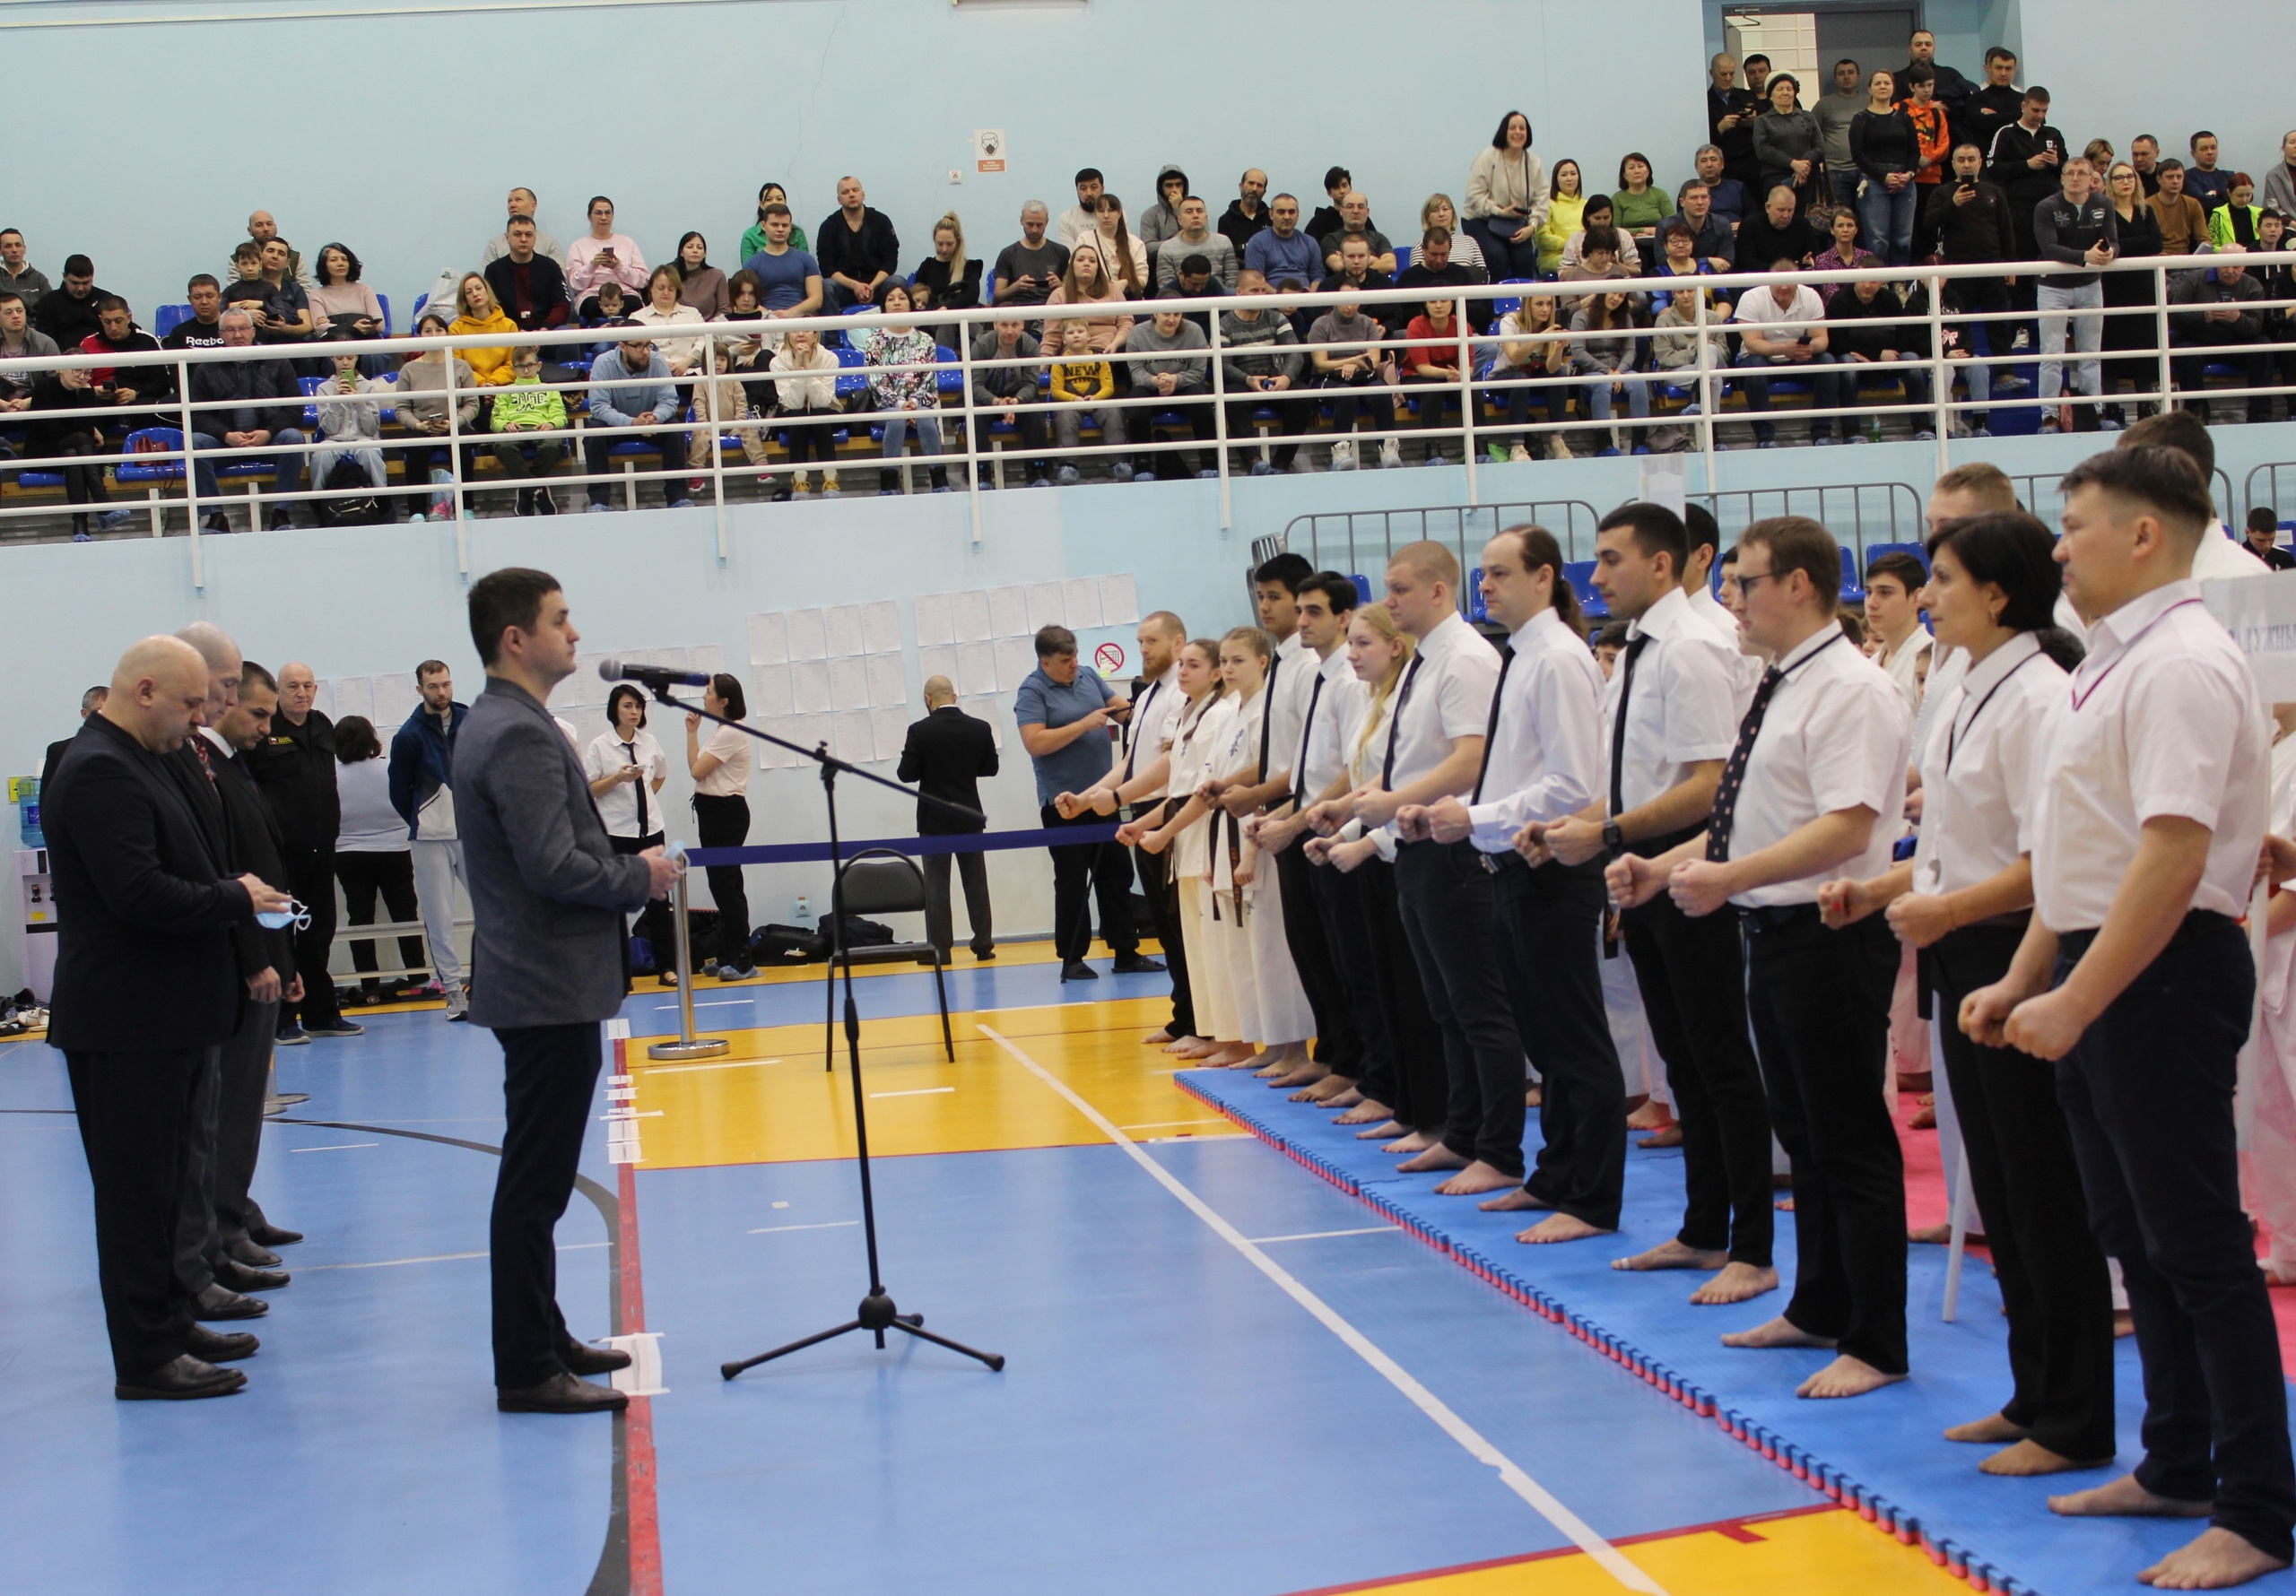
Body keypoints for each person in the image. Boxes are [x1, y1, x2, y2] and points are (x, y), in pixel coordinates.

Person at [1967, 448, 2296, 1589]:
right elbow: (2082, 850)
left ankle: (2257, 1507)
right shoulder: (2111, 660)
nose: (2057, 545)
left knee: (2198, 1246)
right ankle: (2178, 1461)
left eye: (2073, 524)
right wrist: (2029, 973)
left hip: (2159, 973)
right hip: (2104, 958)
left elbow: (2170, 856)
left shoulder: (2181, 662)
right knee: (2137, 1237)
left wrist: (2077, 994)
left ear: (2143, 534)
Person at [1819, 508, 2113, 1474]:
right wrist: (1880, 889)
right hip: (1959, 946)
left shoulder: (2039, 696)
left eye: (1942, 579)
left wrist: (1945, 910)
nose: (1927, 596)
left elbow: (2048, 860)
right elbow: (1949, 844)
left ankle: (2074, 1417)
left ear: (1997, 593)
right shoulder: (1965, 687)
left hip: (2016, 950)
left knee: (2042, 1191)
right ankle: (2032, 1392)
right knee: (2001, 1187)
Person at [1608, 515, 1913, 1401]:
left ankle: (1876, 1339)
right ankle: (1819, 1304)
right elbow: (1744, 815)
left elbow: (1848, 826)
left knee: (1850, 1144)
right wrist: (1664, 866)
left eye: (1745, 582)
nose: (1732, 599)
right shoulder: (1782, 681)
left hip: (1831, 932)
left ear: (1799, 586)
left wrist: (1728, 877)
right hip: (1774, 931)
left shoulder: (1851, 689)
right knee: (1806, 1139)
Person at [1534, 503, 1776, 1305]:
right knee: (1683, 1062)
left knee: (1721, 1061)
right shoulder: (1640, 648)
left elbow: (1710, 784)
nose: (1596, 575)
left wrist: (1608, 832)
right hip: (1640, 867)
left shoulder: (1693, 647)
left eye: (1612, 559)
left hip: (1689, 866)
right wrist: (1574, 828)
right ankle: (1704, 1228)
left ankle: (1752, 1246)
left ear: (1664, 564)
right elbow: (1634, 776)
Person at [46, 636, 291, 1401]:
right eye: (189, 704)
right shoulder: (99, 770)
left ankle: (172, 1317)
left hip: (165, 1018)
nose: (198, 719)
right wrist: (235, 896)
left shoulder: (143, 760)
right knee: (136, 1198)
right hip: (127, 1023)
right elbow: (139, 893)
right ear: (144, 690)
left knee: (167, 1189)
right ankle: (146, 1354)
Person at [455, 568, 672, 1414]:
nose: (574, 632)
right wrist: (639, 875)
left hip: (544, 982)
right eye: (560, 619)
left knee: (538, 1180)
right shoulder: (515, 733)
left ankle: (544, 1335)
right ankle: (526, 1367)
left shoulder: (511, 721)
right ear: (517, 638)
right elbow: (551, 866)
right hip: (544, 983)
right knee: (535, 1185)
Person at [1387, 527, 1620, 1238]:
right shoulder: (1522, 654)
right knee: (1545, 1043)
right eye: (1483, 574)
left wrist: (1475, 815)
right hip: (1509, 861)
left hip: (1553, 865)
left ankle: (1592, 1197)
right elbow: (1516, 770)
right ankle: (1554, 1174)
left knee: (1573, 1042)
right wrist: (1462, 814)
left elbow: (1573, 784)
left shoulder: (1558, 659)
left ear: (1544, 577)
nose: (1485, 586)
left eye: (1500, 573)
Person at [1308, 541, 1515, 1191]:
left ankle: (1498, 1150)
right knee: (1446, 1007)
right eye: (1389, 589)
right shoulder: (1426, 661)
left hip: (1455, 846)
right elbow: (1408, 760)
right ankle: (1460, 1132)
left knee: (1478, 1009)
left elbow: (1471, 759)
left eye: (1399, 589)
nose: (1389, 600)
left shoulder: (1466, 659)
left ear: (1438, 591)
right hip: (1416, 843)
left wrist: (1389, 805)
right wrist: (1353, 805)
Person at [173, 656, 302, 1315]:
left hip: (266, 946)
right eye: (253, 710)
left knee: (245, 1100)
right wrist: (257, 957)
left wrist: (286, 954)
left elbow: (264, 864)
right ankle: (222, 1225)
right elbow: (228, 873)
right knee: (227, 1104)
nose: (261, 725)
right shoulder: (205, 770)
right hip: (241, 957)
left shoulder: (236, 768)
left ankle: (235, 1208)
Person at [1199, 564, 1359, 1089]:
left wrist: (1270, 803)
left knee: (1328, 951)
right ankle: (1328, 1053)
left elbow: (1315, 763)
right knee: (1306, 947)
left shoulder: (1317, 669)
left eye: (1276, 597)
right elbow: (1292, 755)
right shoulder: (1291, 666)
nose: (1265, 607)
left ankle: (1341, 1058)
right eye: (1260, 597)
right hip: (1289, 812)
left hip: (1315, 815)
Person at [1016, 625, 1152, 981]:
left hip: (1103, 799)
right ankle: (1073, 957)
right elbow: (1035, 743)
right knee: (1072, 881)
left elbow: (1122, 711)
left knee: (1116, 874)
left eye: (1075, 656)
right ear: (1045, 662)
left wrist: (1144, 705)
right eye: (1065, 660)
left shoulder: (1089, 676)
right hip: (1063, 804)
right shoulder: (1032, 691)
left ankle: (1126, 951)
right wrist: (1081, 725)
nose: (1074, 664)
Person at [246, 662, 352, 1041]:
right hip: (281, 851)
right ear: (279, 691)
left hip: (322, 847)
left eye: (307, 685)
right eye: (293, 686)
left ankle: (321, 1013)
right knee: (281, 933)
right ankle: (283, 1018)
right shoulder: (266, 729)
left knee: (319, 932)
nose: (301, 692)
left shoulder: (322, 725)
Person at [388, 660, 471, 1020]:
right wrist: (423, 820)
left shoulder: (470, 722)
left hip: (472, 835)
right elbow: (398, 792)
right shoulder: (408, 736)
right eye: (433, 686)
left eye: (446, 684)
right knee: (439, 921)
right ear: (420, 689)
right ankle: (453, 992)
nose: (442, 692)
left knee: (497, 910)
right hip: (429, 840)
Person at [896, 677, 997, 963]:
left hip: (934, 820)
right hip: (969, 815)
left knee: (937, 887)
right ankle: (983, 945)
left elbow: (906, 774)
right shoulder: (980, 728)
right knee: (976, 883)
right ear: (954, 696)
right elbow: (990, 768)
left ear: (928, 699)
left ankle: (940, 950)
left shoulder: (919, 731)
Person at [1927, 143, 2022, 436]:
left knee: (1998, 322)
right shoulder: (1943, 192)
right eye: (1961, 160)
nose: (1966, 164)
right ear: (1953, 164)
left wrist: (2011, 265)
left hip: (1992, 265)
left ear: (1981, 162)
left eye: (1971, 159)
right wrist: (1953, 203)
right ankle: (1959, 364)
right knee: (1959, 323)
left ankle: (2004, 372)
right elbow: (1928, 224)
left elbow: (2006, 229)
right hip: (1958, 269)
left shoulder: (1994, 192)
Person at [581, 684, 674, 978]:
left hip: (651, 830)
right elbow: (588, 789)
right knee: (616, 903)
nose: (634, 712)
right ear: (615, 710)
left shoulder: (649, 742)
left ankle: (667, 967)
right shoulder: (600, 746)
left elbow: (660, 775)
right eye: (627, 706)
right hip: (616, 833)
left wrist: (645, 800)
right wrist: (617, 779)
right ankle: (620, 972)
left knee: (660, 902)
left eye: (638, 706)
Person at [333, 715, 426, 1003]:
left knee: (360, 920)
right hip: (394, 850)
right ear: (372, 740)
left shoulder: (331, 776)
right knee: (405, 916)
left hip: (348, 853)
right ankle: (419, 979)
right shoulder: (389, 769)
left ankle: (369, 986)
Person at [186, 310, 307, 532]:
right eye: (230, 330)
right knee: (195, 442)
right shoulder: (205, 368)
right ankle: (215, 516)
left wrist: (269, 432)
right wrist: (225, 435)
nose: (237, 335)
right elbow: (197, 415)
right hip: (225, 444)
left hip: (269, 440)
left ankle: (281, 514)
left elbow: (295, 408)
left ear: (253, 331)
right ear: (220, 335)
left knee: (293, 437)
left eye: (243, 328)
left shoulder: (278, 361)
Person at [2034, 156, 2118, 430]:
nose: (2075, 177)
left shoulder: (2104, 204)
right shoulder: (2046, 206)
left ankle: (2095, 411)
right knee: (2051, 353)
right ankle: (2049, 415)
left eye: (2082, 173)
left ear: (2092, 179)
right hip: (2053, 286)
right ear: (2062, 178)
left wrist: (2110, 253)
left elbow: (2113, 240)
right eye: (2070, 172)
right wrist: (2085, 256)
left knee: (2091, 353)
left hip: (2090, 284)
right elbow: (2049, 248)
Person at [683, 674, 754, 980]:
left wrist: (692, 735)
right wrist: (692, 733)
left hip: (726, 813)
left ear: (724, 701)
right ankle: (728, 952)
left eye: (709, 692)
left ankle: (742, 958)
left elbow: (697, 771)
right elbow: (696, 768)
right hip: (712, 811)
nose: (704, 696)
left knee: (727, 885)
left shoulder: (731, 732)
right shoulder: (720, 730)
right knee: (721, 884)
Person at [1732, 265, 1849, 447]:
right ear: (1769, 281)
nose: (1784, 287)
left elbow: (1822, 340)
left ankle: (1822, 434)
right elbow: (1752, 344)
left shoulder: (1811, 296)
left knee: (1827, 362)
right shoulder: (1751, 298)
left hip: (1798, 359)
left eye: (1789, 282)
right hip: (1762, 358)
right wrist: (1783, 349)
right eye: (1779, 282)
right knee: (1754, 369)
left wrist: (1809, 348)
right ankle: (1765, 438)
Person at [849, 281, 949, 495]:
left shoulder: (925, 340)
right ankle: (889, 484)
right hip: (885, 406)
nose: (897, 303)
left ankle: (940, 481)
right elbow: (876, 382)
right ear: (884, 306)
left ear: (910, 305)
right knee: (896, 419)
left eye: (902, 298)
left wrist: (914, 402)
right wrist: (901, 404)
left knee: (925, 417)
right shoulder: (874, 341)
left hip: (918, 404)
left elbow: (929, 380)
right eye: (891, 299)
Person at [581, 334, 687, 511]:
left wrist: (655, 417)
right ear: (622, 346)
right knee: (593, 433)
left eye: (648, 345)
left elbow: (669, 401)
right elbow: (599, 407)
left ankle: (678, 498)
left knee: (675, 429)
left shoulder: (658, 361)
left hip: (649, 424)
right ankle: (599, 501)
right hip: (615, 425)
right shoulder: (603, 363)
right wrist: (632, 423)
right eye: (638, 346)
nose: (645, 352)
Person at [1216, 273, 1309, 475]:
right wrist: (1247, 379)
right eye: (1254, 290)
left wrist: (1287, 377)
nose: (1260, 295)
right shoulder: (1224, 324)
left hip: (1275, 379)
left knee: (1302, 396)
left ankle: (1282, 462)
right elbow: (1223, 364)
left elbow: (1295, 352)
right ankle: (1253, 461)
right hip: (1244, 381)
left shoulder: (1276, 317)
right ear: (1239, 292)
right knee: (1233, 397)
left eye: (1263, 290)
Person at [392, 312, 480, 524]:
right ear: (419, 336)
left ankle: (465, 508)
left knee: (462, 445)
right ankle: (417, 512)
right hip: (421, 426)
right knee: (416, 448)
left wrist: (454, 422)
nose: (434, 335)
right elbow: (401, 408)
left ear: (447, 333)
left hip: (454, 424)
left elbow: (472, 404)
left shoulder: (461, 366)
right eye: (428, 331)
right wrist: (418, 425)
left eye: (439, 330)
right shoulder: (409, 369)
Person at [1307, 280, 1400, 472]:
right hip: (1329, 378)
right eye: (1345, 300)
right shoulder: (1322, 324)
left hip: (1362, 376)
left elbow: (1373, 361)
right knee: (1346, 395)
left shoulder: (1367, 323)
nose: (1349, 306)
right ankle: (1340, 451)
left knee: (1381, 392)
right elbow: (1321, 364)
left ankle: (1388, 448)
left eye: (1354, 300)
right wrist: (1350, 362)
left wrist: (1356, 365)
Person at [2170, 247, 2271, 424]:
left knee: (2263, 346)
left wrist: (2237, 318)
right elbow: (2175, 318)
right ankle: (2197, 411)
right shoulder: (2195, 280)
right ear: (2216, 262)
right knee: (2184, 352)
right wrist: (2205, 316)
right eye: (2225, 266)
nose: (2230, 271)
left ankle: (2260, 412)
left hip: (2236, 341)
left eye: (2236, 267)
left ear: (2244, 266)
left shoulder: (2252, 286)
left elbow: (2256, 327)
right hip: (2199, 340)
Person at [1123, 308, 1214, 480]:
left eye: (1176, 314)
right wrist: (1155, 381)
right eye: (1166, 314)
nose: (1171, 319)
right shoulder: (1137, 333)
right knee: (1136, 402)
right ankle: (1142, 467)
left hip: (1184, 386)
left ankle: (1210, 464)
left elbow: (1198, 372)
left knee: (1201, 398)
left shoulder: (1194, 330)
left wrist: (1175, 379)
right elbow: (1136, 373)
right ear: (1154, 314)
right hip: (1151, 387)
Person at [1986, 87, 2066, 271]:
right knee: (2023, 261)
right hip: (2020, 208)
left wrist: (2056, 163)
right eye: (2035, 110)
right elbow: (1993, 168)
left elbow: (2066, 170)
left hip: (2052, 206)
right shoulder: (2006, 133)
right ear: (2023, 106)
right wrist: (2026, 165)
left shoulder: (2053, 134)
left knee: (2054, 259)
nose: (2040, 115)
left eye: (2044, 111)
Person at [1464, 110, 1549, 280]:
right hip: (1481, 219)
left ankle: (1525, 298)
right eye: (1513, 128)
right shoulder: (1488, 157)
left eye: (1522, 128)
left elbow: (1542, 199)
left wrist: (1532, 227)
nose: (1518, 132)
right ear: (1504, 131)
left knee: (1524, 258)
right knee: (1497, 255)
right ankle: (1494, 297)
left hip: (1516, 223)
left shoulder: (1534, 163)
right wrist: (1499, 211)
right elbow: (1473, 195)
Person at [966, 317, 1048, 490]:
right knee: (976, 416)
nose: (1010, 331)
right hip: (988, 398)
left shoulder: (1030, 344)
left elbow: (1031, 384)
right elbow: (975, 385)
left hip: (1017, 397)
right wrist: (997, 402)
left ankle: (1036, 471)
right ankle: (981, 472)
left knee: (1035, 413)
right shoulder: (981, 345)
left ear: (1022, 325)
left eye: (1015, 325)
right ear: (995, 325)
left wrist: (1016, 401)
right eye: (1004, 325)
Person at [1569, 287, 1651, 456]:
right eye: (1613, 293)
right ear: (1602, 292)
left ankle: (1639, 443)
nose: (1616, 298)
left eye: (1621, 296)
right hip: (1591, 371)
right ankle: (1604, 444)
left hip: (1619, 370)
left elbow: (1630, 350)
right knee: (1602, 383)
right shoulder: (1581, 316)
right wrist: (1607, 371)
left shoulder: (1625, 318)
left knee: (1638, 381)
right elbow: (1578, 352)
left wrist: (1619, 372)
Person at [489, 347, 569, 515]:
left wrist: (551, 424)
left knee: (552, 446)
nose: (525, 371)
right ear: (513, 369)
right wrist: (505, 424)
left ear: (539, 366)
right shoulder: (505, 391)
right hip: (514, 430)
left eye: (530, 365)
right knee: (503, 446)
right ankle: (537, 491)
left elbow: (561, 417)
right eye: (520, 366)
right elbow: (495, 421)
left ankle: (525, 491)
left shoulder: (550, 389)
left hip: (542, 428)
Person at [1850, 71, 1919, 265]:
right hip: (1874, 181)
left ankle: (1900, 280)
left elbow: (1914, 151)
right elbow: (1858, 155)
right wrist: (1883, 177)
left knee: (1903, 239)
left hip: (1905, 182)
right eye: (1878, 83)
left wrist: (1909, 174)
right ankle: (1877, 280)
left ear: (1893, 88)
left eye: (1887, 83)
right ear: (1869, 89)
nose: (1882, 86)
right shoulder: (1861, 118)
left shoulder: (1904, 117)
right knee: (1878, 241)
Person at [309, 343, 389, 497]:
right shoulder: (323, 388)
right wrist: (335, 401)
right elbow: (329, 429)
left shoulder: (369, 387)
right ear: (332, 359)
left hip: (364, 438)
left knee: (369, 452)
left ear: (356, 358)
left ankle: (382, 499)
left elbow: (371, 429)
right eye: (340, 358)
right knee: (321, 455)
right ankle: (318, 501)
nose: (345, 362)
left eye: (350, 358)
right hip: (334, 440)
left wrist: (359, 403)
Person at [817, 176, 899, 310]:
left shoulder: (881, 221)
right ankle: (832, 325)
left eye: (855, 190)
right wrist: (855, 286)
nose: (851, 195)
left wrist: (872, 286)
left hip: (877, 286)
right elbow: (827, 268)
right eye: (845, 192)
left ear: (863, 195)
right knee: (826, 286)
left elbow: (890, 261)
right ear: (839, 200)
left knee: (897, 282)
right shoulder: (829, 226)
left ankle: (896, 324)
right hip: (845, 288)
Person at [1862, 551, 1932, 706]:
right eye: (1868, 592)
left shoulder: (1931, 659)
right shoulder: (1871, 663)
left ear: (1917, 598)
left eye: (1884, 593)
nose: (1871, 603)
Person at [483, 218, 570, 341]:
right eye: (517, 234)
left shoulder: (550, 267)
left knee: (568, 335)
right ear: (507, 238)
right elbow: (492, 309)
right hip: (508, 336)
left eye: (529, 235)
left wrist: (545, 330)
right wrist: (515, 330)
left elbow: (562, 305)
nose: (524, 239)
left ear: (535, 238)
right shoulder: (493, 271)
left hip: (546, 334)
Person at [738, 202, 824, 322]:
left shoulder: (806, 260)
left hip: (802, 322)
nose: (780, 229)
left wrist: (790, 313)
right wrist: (771, 316)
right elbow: (746, 301)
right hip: (767, 323)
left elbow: (817, 299)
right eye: (775, 225)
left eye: (785, 225)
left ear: (790, 228)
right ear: (763, 225)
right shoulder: (752, 265)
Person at [1753, 74, 1823, 214]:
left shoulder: (1808, 117)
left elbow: (1820, 147)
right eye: (1780, 89)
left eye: (1789, 89)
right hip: (1777, 180)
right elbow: (1763, 150)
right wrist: (1792, 164)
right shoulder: (1763, 121)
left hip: (1807, 179)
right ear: (1770, 95)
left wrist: (1804, 165)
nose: (1785, 93)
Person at [567, 195, 648, 303]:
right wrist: (592, 266)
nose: (604, 217)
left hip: (624, 293)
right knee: (591, 306)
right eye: (598, 213)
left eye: (608, 213)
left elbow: (643, 280)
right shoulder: (577, 246)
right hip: (592, 294)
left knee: (634, 304)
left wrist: (618, 267)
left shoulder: (628, 243)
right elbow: (574, 284)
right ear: (589, 217)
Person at [992, 202, 1069, 310]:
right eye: (1030, 224)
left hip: (1053, 309)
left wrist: (1060, 286)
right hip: (1019, 311)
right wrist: (1015, 287)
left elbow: (1073, 294)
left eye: (1039, 225)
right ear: (1021, 221)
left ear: (1047, 222)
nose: (1034, 230)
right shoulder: (1008, 254)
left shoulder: (1061, 252)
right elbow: (996, 298)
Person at [1156, 195, 1239, 294]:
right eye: (1189, 212)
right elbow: (1166, 287)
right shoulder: (1167, 248)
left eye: (1199, 211)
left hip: (1218, 296)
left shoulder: (1223, 242)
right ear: (1179, 220)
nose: (1195, 215)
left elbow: (1232, 280)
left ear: (1206, 218)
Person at [448, 273, 518, 387]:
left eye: (478, 288)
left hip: (504, 386)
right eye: (469, 292)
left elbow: (513, 362)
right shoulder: (456, 329)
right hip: (469, 387)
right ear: (464, 300)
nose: (475, 294)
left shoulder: (509, 325)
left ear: (487, 291)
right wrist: (481, 383)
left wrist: (493, 382)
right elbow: (457, 365)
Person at [1735, 186, 1824, 275]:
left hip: (1796, 279)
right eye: (1781, 210)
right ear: (1768, 207)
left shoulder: (1803, 225)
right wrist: (1786, 268)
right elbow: (1746, 263)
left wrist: (1809, 262)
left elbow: (1815, 256)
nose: (1786, 215)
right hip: (1760, 279)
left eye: (1790, 210)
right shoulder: (1749, 226)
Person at [912, 212, 984, 323]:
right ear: (934, 240)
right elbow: (919, 294)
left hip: (960, 317)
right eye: (940, 244)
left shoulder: (969, 267)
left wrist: (947, 309)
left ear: (957, 241)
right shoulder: (927, 266)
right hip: (933, 318)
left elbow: (971, 296)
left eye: (949, 244)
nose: (944, 249)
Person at [1813, 59, 1866, 207]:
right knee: (1842, 215)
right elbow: (1812, 134)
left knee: (1867, 216)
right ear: (1836, 78)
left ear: (1858, 76)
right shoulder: (1824, 104)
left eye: (1851, 72)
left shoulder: (1869, 101)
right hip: (1835, 170)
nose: (1846, 77)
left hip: (1865, 169)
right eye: (1841, 73)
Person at [1242, 193, 1319, 291]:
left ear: (1298, 214)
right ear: (1271, 214)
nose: (1287, 217)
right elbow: (1255, 280)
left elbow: (1318, 276)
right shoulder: (1257, 242)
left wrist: (1311, 295)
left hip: (1306, 297)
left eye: (1291, 212)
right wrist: (1280, 297)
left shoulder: (1310, 242)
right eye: (1281, 212)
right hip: (1272, 298)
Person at [1709, 53, 1761, 193]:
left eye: (1732, 74)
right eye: (1723, 74)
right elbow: (1699, 139)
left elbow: (1766, 128)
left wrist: (1755, 122)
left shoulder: (1747, 96)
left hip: (1751, 166)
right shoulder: (1705, 101)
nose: (1728, 78)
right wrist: (1719, 129)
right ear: (1712, 73)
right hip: (1724, 167)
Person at [30, 255, 105, 349]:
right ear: (64, 276)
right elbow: (44, 342)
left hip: (100, 356)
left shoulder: (105, 300)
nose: (80, 288)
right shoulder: (48, 303)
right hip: (60, 356)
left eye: (85, 283)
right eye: (75, 283)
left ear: (92, 277)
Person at [481, 187, 568, 269]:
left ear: (533, 205)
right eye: (510, 201)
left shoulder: (549, 243)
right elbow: (485, 278)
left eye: (518, 200)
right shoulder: (495, 245)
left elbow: (560, 276)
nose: (512, 205)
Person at [1808, 208, 1882, 302]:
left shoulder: (1867, 256)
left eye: (1850, 225)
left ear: (1856, 230)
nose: (1845, 230)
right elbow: (1831, 293)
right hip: (1836, 308)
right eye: (1840, 226)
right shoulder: (1823, 259)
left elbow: (1872, 288)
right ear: (1832, 230)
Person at [1318, 190, 1396, 276]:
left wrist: (1355, 266)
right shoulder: (1331, 240)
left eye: (1361, 207)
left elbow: (1390, 265)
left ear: (1367, 212)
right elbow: (1339, 266)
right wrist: (1374, 260)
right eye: (1350, 206)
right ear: (1341, 211)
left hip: (1374, 284)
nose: (1356, 211)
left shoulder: (1379, 238)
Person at [1612, 153, 1669, 265]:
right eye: (1631, 167)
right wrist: (1642, 231)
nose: (1637, 171)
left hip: (1660, 242)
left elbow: (1672, 224)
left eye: (1640, 166)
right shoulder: (1617, 199)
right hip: (1630, 245)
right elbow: (1615, 230)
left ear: (1648, 172)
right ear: (1624, 175)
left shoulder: (1660, 194)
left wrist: (1657, 232)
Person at [1536, 160, 1590, 277]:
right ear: (1556, 179)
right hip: (1554, 256)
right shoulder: (1547, 204)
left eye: (1573, 174)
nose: (1569, 178)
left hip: (1584, 253)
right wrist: (1569, 245)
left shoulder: (1587, 204)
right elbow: (1541, 238)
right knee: (1582, 264)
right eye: (1564, 175)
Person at [1966, 46, 2023, 153]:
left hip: (2018, 156)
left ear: (2014, 70)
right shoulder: (1975, 98)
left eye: (2008, 69)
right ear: (1988, 68)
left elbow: (2038, 122)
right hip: (1986, 156)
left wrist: (1995, 117)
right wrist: (2021, 115)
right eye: (1998, 68)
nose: (2003, 73)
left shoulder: (2023, 99)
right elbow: (1983, 124)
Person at [2148, 160, 2211, 257]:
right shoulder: (2147, 206)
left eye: (2179, 177)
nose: (2175, 181)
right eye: (2170, 177)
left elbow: (2204, 239)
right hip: (2156, 260)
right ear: (2158, 179)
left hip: (2185, 260)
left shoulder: (2193, 204)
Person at [738, 183, 809, 263]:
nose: (774, 202)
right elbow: (748, 268)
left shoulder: (797, 233)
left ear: (785, 202)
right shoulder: (750, 236)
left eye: (779, 199)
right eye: (769, 199)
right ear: (761, 205)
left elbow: (804, 263)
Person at [1673, 181, 1736, 268]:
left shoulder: (1722, 224)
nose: (1700, 202)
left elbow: (1726, 263)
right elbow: (1666, 263)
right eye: (1694, 198)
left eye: (1704, 197)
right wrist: (1708, 261)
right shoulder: (1667, 226)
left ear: (1709, 200)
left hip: (1714, 276)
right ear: (1682, 202)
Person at [671, 232, 728, 320]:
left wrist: (706, 326)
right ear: (681, 252)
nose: (695, 250)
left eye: (699, 247)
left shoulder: (717, 276)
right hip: (679, 326)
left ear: (704, 253)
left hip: (710, 327)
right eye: (690, 247)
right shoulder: (671, 276)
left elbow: (724, 310)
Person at [1219, 169, 1271, 255]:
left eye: (1259, 185)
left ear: (1264, 192)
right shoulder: (1226, 221)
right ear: (1241, 186)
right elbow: (1225, 255)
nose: (1254, 189)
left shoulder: (1271, 218)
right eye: (1251, 183)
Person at [1054, 168, 1106, 249]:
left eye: (1094, 187)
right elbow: (1070, 253)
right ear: (1077, 191)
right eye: (1083, 188)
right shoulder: (1067, 218)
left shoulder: (1117, 215)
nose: (1089, 193)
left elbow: (1124, 247)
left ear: (1102, 189)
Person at [2209, 175, 2265, 250]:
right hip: (2229, 256)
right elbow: (2212, 246)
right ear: (2229, 193)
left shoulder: (2260, 213)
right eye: (2240, 196)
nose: (2244, 199)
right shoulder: (2218, 215)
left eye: (2248, 195)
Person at [2185, 131, 2234, 217]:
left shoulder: (2228, 176)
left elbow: (2245, 196)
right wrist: (2231, 202)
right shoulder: (2188, 177)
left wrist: (2217, 193)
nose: (2210, 152)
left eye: (2213, 148)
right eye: (2204, 149)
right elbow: (2202, 202)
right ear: (2193, 153)